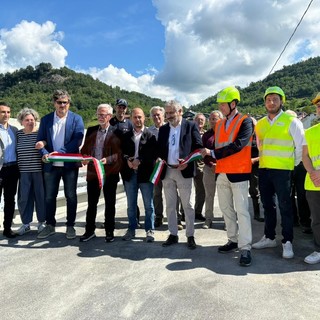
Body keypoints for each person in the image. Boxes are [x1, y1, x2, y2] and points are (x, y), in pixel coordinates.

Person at [202, 87, 254, 267]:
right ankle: (232, 240)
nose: (221, 107)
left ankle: (245, 247)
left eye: (223, 104)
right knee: (226, 209)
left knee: (242, 211)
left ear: (233, 104)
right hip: (222, 172)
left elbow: (239, 145)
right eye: (220, 104)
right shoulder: (219, 124)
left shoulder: (246, 121)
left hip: (239, 173)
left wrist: (214, 154)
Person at [252, 86, 305, 259]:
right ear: (265, 102)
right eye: (268, 99)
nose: (271, 102)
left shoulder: (292, 121)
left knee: (285, 206)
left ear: (282, 101)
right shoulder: (259, 124)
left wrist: (293, 164)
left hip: (283, 171)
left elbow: (301, 146)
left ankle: (287, 241)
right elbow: (260, 147)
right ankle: (269, 237)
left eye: (275, 99)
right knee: (267, 205)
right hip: (264, 169)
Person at [36, 90, 84, 239]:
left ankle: (70, 226)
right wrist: (44, 153)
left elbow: (77, 141)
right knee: (49, 197)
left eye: (65, 102)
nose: (62, 105)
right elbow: (40, 140)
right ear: (54, 103)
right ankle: (50, 225)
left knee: (71, 196)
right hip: (50, 166)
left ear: (69, 103)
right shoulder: (46, 120)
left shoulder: (77, 119)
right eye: (59, 102)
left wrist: (59, 153)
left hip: (69, 166)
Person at [157, 100, 203, 249]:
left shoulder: (190, 126)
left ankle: (190, 235)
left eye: (171, 112)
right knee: (170, 205)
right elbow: (160, 149)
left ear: (180, 111)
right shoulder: (163, 129)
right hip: (168, 171)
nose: (169, 116)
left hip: (184, 171)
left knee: (187, 205)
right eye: (167, 113)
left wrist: (188, 162)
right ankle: (173, 234)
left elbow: (199, 148)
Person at [80, 104, 122, 242]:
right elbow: (85, 149)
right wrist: (84, 157)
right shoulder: (91, 130)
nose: (100, 117)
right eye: (98, 114)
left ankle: (109, 231)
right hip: (93, 173)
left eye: (103, 115)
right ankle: (89, 231)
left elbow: (120, 154)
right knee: (92, 203)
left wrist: (108, 159)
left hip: (110, 173)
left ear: (110, 116)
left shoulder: (117, 131)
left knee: (110, 204)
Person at [121, 108, 157, 242]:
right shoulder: (126, 136)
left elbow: (152, 154)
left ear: (144, 118)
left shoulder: (150, 135)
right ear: (131, 119)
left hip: (145, 175)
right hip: (130, 174)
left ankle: (150, 230)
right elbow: (122, 152)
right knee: (131, 205)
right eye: (135, 117)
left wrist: (139, 160)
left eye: (140, 117)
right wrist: (128, 160)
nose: (138, 120)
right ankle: (131, 229)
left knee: (149, 205)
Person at [149, 106, 183, 230]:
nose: (156, 117)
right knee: (156, 193)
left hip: (169, 167)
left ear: (164, 116)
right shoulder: (148, 131)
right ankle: (159, 217)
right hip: (156, 168)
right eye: (154, 115)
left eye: (158, 115)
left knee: (174, 194)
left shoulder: (170, 128)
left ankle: (177, 218)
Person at [15, 108, 46, 235]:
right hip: (23, 172)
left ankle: (41, 223)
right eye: (27, 120)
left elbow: (46, 145)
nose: (30, 122)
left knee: (40, 197)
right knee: (24, 198)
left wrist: (43, 142)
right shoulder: (18, 134)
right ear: (21, 122)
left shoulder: (40, 134)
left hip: (39, 172)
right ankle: (26, 224)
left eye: (32, 120)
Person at [302, 95, 320, 264]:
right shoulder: (309, 132)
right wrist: (313, 173)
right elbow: (305, 156)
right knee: (316, 219)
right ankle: (319, 249)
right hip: (314, 184)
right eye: (319, 106)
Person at [0, 102, 19, 238]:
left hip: (13, 169)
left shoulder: (15, 130)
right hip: (0, 169)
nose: (6, 114)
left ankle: (7, 228)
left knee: (10, 200)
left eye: (8, 112)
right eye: (3, 112)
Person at [201, 110, 223, 229]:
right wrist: (211, 164)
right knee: (209, 195)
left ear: (221, 119)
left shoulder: (226, 133)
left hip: (224, 168)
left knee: (225, 196)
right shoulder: (206, 135)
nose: (212, 121)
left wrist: (219, 165)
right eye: (210, 119)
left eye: (215, 118)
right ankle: (208, 219)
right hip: (209, 168)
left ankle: (226, 220)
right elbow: (203, 153)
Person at [249, 117, 264, 222]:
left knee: (255, 191)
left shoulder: (260, 136)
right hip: (242, 167)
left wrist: (254, 160)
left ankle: (257, 214)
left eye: (252, 124)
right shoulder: (243, 136)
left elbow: (265, 153)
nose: (250, 127)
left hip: (255, 167)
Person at [192, 113, 206, 221]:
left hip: (201, 165)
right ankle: (183, 212)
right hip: (188, 164)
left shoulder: (206, 135)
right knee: (185, 190)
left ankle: (198, 211)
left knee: (201, 190)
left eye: (202, 120)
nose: (200, 121)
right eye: (198, 120)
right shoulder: (188, 133)